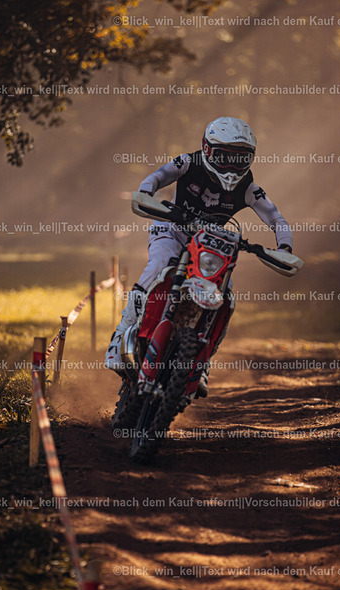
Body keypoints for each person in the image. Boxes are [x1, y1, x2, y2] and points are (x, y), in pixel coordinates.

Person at [105, 116, 293, 387]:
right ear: (207, 149)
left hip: (211, 244)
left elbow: (276, 218)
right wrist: (146, 192)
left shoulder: (249, 188)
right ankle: (119, 337)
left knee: (226, 297)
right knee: (159, 265)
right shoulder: (188, 163)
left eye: (240, 159)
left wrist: (284, 247)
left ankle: (202, 362)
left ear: (250, 159)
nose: (232, 167)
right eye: (224, 157)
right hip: (172, 228)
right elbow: (157, 177)